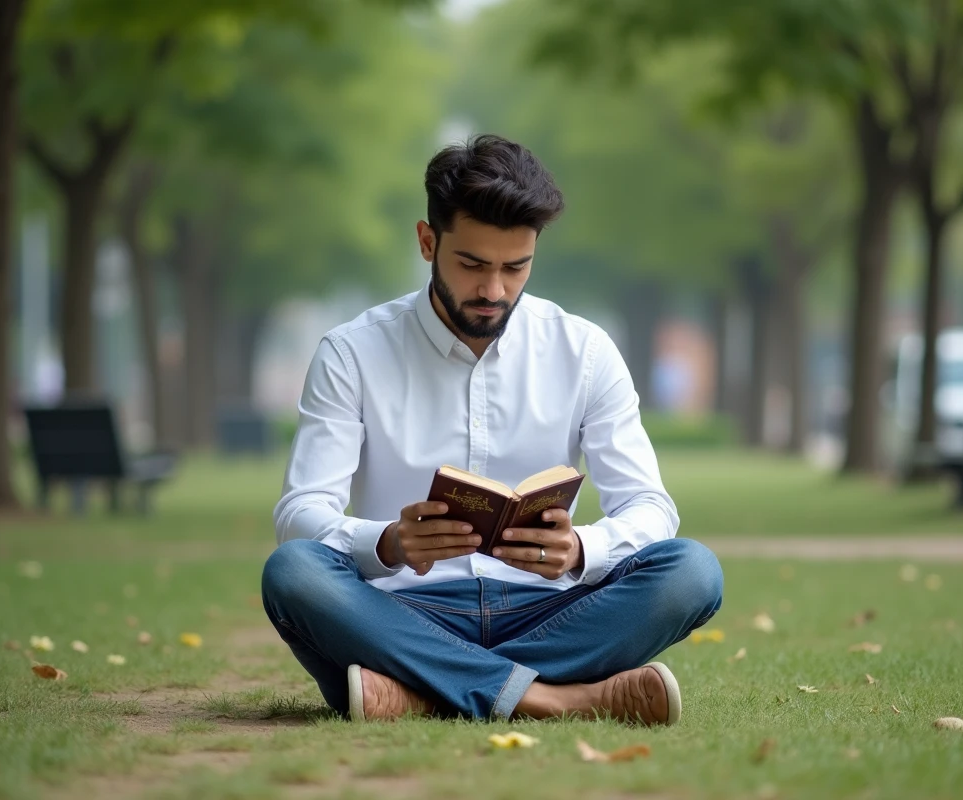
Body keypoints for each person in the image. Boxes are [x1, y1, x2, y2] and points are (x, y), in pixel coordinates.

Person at [261, 134, 723, 725]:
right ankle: (556, 698)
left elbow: (650, 507)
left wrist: (583, 547)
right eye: (473, 264)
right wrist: (389, 543)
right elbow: (301, 511)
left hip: (551, 613)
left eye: (515, 266)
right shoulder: (351, 353)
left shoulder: (584, 351)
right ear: (428, 242)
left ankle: (420, 690)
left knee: (693, 572)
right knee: (294, 573)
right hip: (403, 611)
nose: (494, 290)